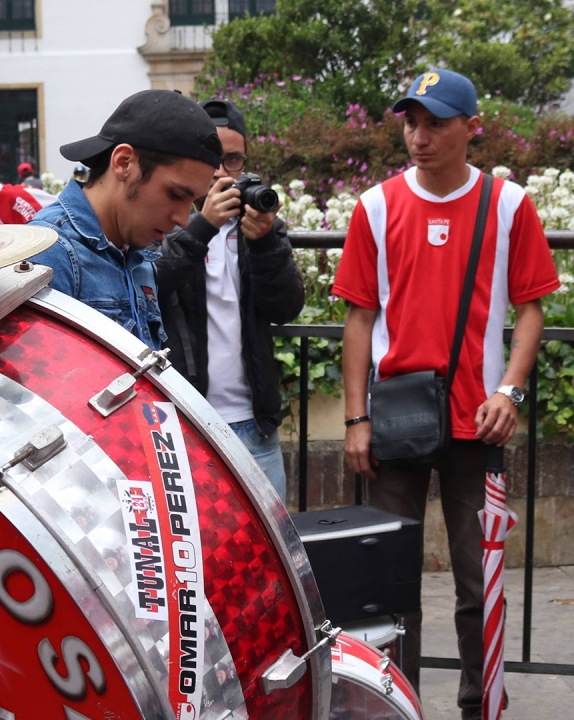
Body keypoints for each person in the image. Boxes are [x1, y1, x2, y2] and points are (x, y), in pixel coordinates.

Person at [333, 69, 558, 720]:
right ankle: (395, 705)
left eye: (434, 122)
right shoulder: (376, 206)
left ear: (471, 127)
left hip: (479, 422)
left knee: (477, 583)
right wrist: (355, 418)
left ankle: (477, 706)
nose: (419, 136)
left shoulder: (508, 205)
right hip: (396, 420)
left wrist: (510, 391)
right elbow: (359, 317)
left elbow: (532, 306)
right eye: (410, 122)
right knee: (390, 583)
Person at [153, 99, 303, 502]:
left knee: (273, 558)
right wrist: (203, 225)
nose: (220, 171)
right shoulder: (166, 220)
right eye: (211, 158)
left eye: (232, 160)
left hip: (256, 428)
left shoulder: (259, 222)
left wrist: (266, 242)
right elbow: (154, 284)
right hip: (189, 425)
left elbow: (286, 307)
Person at [28, 90, 221, 350]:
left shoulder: (137, 254)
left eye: (194, 202)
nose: (184, 220)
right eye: (175, 194)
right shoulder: (50, 253)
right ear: (123, 163)